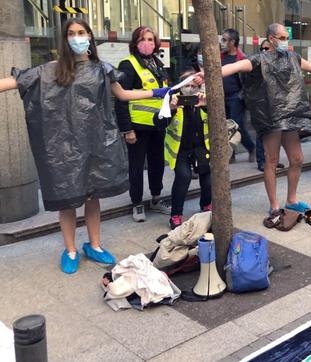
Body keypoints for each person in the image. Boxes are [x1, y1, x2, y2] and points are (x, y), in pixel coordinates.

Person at [0, 19, 172, 274]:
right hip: (64, 149)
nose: (77, 37)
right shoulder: (51, 70)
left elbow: (124, 94)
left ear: (90, 37)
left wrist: (160, 92)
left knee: (93, 197)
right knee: (67, 201)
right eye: (71, 34)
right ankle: (70, 250)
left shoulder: (102, 69)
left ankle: (94, 245)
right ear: (65, 39)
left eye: (81, 32)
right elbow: (15, 82)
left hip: (94, 145)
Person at [222, 23, 311, 227]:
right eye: (281, 37)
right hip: (271, 117)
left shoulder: (293, 57)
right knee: (271, 160)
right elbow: (235, 67)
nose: (285, 41)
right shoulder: (259, 60)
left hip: (291, 116)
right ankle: (274, 205)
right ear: (271, 39)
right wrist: (211, 72)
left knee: (297, 159)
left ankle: (292, 200)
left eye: (285, 37)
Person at [116, 26, 171, 222]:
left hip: (158, 125)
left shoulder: (157, 63)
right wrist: (126, 129)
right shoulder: (128, 65)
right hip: (137, 127)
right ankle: (137, 203)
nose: (147, 43)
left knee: (157, 164)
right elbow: (120, 99)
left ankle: (156, 198)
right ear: (135, 42)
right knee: (137, 166)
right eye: (142, 39)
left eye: (150, 39)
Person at [156, 71, 212, 230]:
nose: (190, 89)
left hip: (201, 148)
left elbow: (220, 119)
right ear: (180, 85)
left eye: (194, 86)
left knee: (207, 179)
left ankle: (206, 206)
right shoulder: (173, 99)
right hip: (180, 150)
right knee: (183, 177)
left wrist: (206, 106)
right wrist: (172, 108)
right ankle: (176, 214)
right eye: (187, 85)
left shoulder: (203, 99)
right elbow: (159, 122)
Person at [220, 28, 255, 163]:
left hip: (236, 97)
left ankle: (251, 147)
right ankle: (231, 154)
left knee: (236, 125)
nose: (222, 42)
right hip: (222, 97)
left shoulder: (242, 59)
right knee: (225, 126)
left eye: (224, 39)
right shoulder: (220, 56)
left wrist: (243, 97)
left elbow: (247, 82)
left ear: (232, 42)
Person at [252, 40, 285, 172]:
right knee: (262, 134)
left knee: (276, 134)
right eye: (263, 48)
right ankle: (261, 161)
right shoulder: (256, 64)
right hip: (261, 104)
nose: (265, 51)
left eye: (268, 48)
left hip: (276, 104)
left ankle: (273, 160)